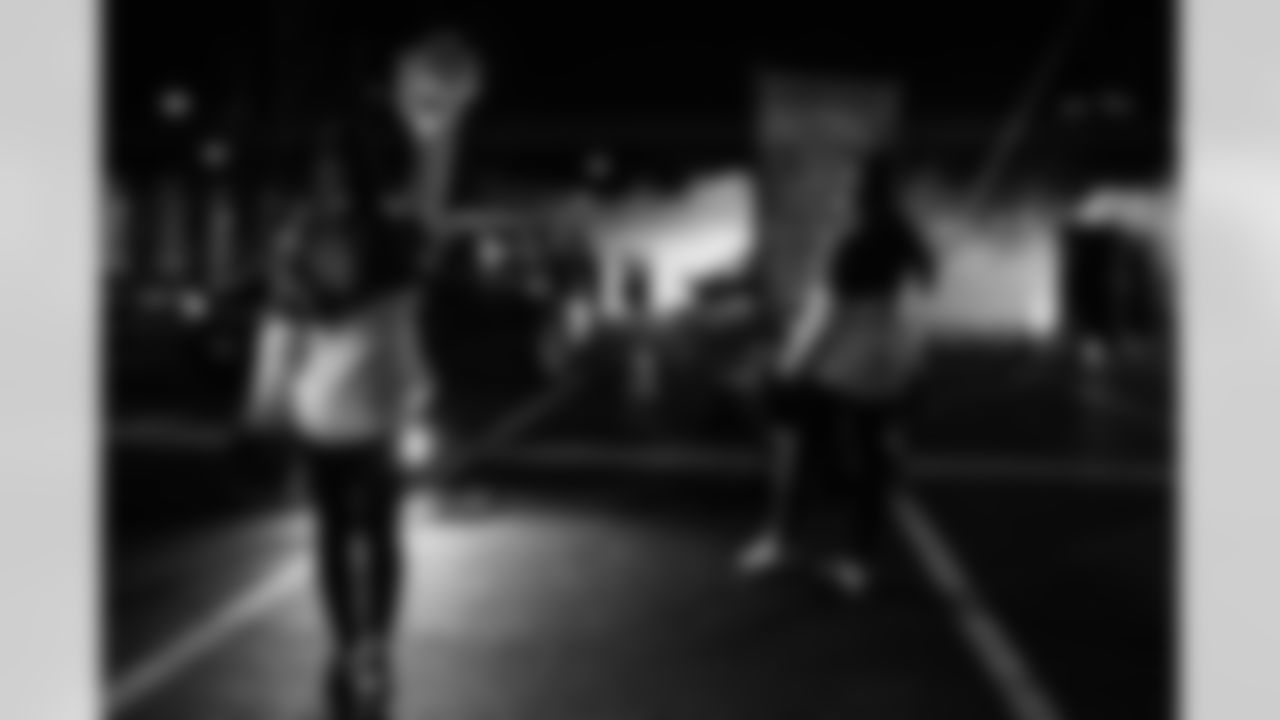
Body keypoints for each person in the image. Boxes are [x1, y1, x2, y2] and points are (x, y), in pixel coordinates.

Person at [242, 121, 432, 717]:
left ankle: (366, 644)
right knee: (349, 534)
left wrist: (261, 406)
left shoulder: (331, 238)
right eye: (327, 171)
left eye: (341, 170)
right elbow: (281, 329)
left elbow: (398, 320)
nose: (334, 181)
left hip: (364, 406)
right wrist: (261, 407)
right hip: (335, 408)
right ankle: (357, 644)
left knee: (366, 534)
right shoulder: (327, 238)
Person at [738, 154, 935, 595]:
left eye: (847, 186)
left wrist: (789, 367)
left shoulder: (857, 245)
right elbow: (917, 302)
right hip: (887, 368)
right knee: (871, 463)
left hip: (843, 367)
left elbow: (828, 318)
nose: (840, 193)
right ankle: (857, 562)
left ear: (860, 193)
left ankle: (782, 540)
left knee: (800, 452)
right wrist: (915, 364)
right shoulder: (905, 239)